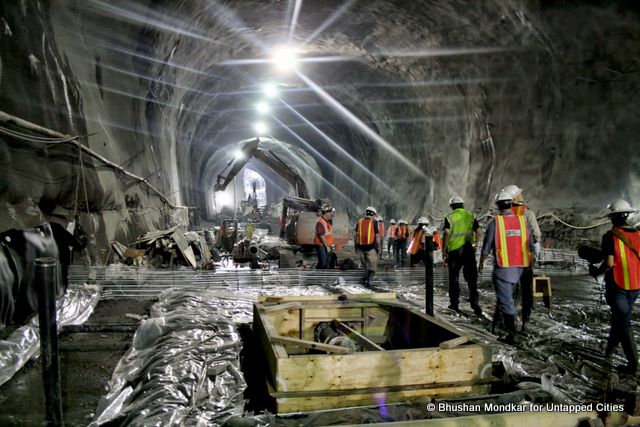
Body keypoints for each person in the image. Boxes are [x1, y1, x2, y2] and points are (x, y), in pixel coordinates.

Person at [589, 199, 639, 374]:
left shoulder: (609, 236)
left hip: (618, 285)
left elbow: (609, 262)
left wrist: (597, 273)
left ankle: (633, 365)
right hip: (635, 285)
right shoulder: (638, 235)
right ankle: (609, 352)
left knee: (623, 322)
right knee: (619, 319)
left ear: (612, 218)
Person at [478, 189, 534, 344]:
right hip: (520, 267)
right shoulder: (523, 222)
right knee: (506, 298)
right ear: (511, 204)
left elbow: (486, 247)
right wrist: (530, 265)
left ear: (497, 205)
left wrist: (481, 263)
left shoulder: (496, 223)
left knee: (506, 300)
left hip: (504, 268)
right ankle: (497, 325)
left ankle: (511, 334)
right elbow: (531, 246)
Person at [500, 185, 542, 331]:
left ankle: (508, 321)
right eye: (519, 194)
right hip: (526, 259)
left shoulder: (503, 216)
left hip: (510, 259)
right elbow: (537, 235)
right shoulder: (528, 214)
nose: (521, 196)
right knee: (526, 290)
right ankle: (525, 321)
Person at [442, 196, 482, 315]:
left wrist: (444, 250)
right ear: (462, 205)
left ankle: (454, 304)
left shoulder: (449, 217)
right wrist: (475, 243)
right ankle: (475, 304)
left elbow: (446, 233)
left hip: (454, 250)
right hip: (468, 249)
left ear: (452, 206)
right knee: (472, 278)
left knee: (454, 278)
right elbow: (478, 231)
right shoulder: (470, 215)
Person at [355, 206, 381, 287]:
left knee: (365, 264)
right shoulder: (374, 222)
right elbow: (377, 236)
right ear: (373, 214)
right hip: (371, 247)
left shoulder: (359, 221)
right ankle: (369, 280)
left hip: (360, 247)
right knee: (372, 264)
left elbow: (355, 235)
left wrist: (355, 246)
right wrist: (379, 247)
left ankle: (365, 278)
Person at [314, 204, 336, 269]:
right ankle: (318, 276)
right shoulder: (320, 222)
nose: (332, 214)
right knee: (323, 263)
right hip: (322, 245)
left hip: (329, 244)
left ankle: (324, 274)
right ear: (326, 213)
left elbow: (329, 232)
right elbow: (322, 236)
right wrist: (327, 247)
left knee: (327, 263)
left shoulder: (328, 220)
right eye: (330, 212)